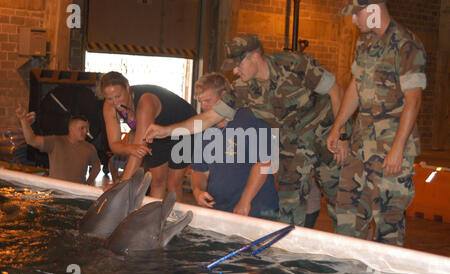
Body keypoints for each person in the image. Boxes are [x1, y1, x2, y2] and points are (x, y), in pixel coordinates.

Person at [145, 34, 350, 229]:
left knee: (343, 205)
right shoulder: (242, 89)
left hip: (326, 136)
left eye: (238, 65)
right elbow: (209, 118)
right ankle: (287, 260)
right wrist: (167, 131)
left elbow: (336, 91)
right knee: (289, 209)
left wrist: (341, 134)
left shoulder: (294, 64)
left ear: (255, 57)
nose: (234, 71)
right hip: (293, 148)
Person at [327, 0, 427, 246]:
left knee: (387, 222)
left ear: (373, 10)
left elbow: (413, 100)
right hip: (361, 146)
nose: (353, 20)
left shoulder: (407, 44)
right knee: (347, 214)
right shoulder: (364, 42)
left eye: (356, 14)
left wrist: (397, 149)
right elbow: (355, 86)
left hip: (389, 151)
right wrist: (338, 125)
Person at [190, 73, 279, 220]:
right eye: (201, 101)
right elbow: (200, 171)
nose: (204, 106)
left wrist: (245, 200)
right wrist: (197, 190)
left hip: (256, 208)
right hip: (220, 209)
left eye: (208, 100)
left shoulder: (250, 118)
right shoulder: (205, 128)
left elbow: (264, 163)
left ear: (224, 96)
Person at [99, 72, 196, 200]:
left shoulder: (145, 101)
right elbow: (114, 145)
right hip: (156, 132)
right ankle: (153, 219)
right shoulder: (109, 107)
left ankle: (174, 218)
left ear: (127, 87)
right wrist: (130, 148)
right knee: (156, 181)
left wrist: (121, 186)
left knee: (173, 183)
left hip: (183, 129)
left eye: (118, 96)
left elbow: (140, 148)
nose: (115, 103)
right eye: (109, 98)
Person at [16, 104, 100, 185]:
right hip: (55, 190)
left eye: (86, 128)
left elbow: (96, 166)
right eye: (82, 128)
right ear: (71, 128)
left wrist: (88, 183)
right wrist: (23, 119)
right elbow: (31, 140)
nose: (85, 131)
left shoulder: (89, 148)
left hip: (76, 192)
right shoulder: (55, 142)